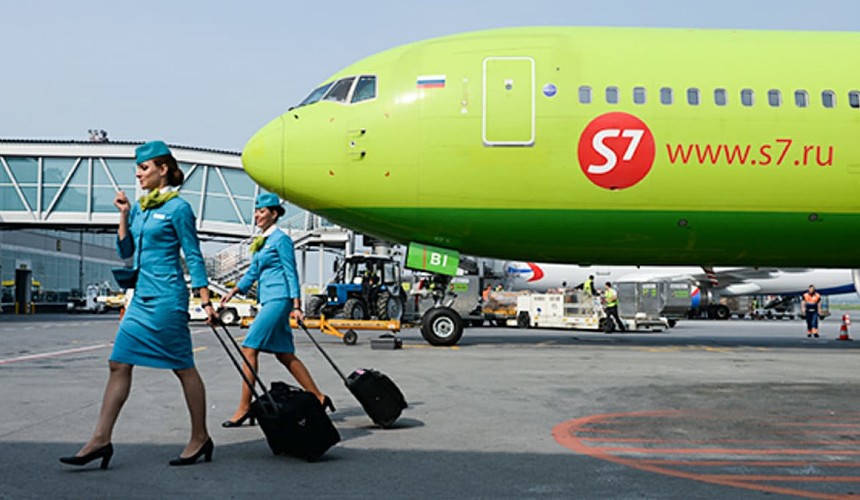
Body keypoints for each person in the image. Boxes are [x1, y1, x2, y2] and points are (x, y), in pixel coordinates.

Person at [60, 140, 218, 469]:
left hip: (167, 299)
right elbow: (125, 250)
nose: (138, 173)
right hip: (140, 299)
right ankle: (100, 440)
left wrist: (205, 301)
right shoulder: (142, 208)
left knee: (183, 367)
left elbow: (193, 255)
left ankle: (200, 436)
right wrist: (124, 214)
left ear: (163, 169)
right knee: (118, 363)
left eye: (144, 168)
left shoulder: (179, 208)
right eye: (138, 168)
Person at [220, 193, 333, 427]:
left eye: (262, 211)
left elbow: (291, 273)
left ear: (274, 214)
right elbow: (253, 271)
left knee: (249, 348)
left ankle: (244, 407)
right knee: (284, 354)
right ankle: (319, 397)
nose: (257, 215)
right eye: (256, 211)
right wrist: (234, 291)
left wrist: (297, 306)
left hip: (279, 299)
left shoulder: (281, 240)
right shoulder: (261, 241)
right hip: (268, 299)